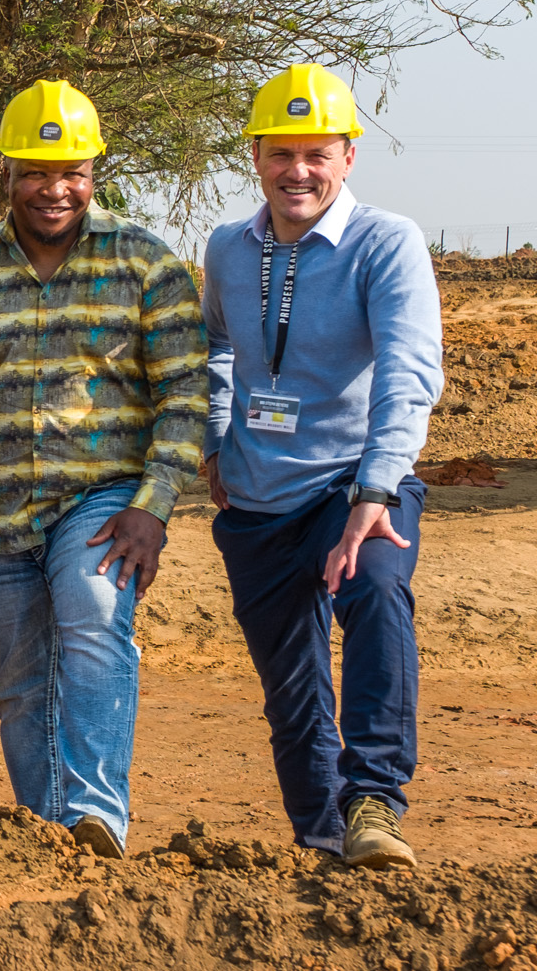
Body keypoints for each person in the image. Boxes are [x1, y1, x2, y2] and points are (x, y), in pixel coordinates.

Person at [0, 80, 207, 858]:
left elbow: (185, 395)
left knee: (95, 615)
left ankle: (96, 814)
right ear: (6, 169)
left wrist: (154, 503)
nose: (54, 188)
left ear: (93, 169)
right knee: (18, 685)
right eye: (36, 171)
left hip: (103, 500)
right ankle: (48, 836)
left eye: (71, 171)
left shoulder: (147, 265)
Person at [201, 64, 441, 869]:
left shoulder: (387, 242)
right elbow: (215, 346)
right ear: (256, 157)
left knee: (377, 590)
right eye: (280, 152)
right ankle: (323, 841)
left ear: (348, 157)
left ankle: (375, 800)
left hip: (355, 484)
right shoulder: (227, 249)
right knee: (293, 688)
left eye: (316, 153)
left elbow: (409, 370)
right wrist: (214, 439)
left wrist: (376, 488)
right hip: (257, 501)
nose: (297, 170)